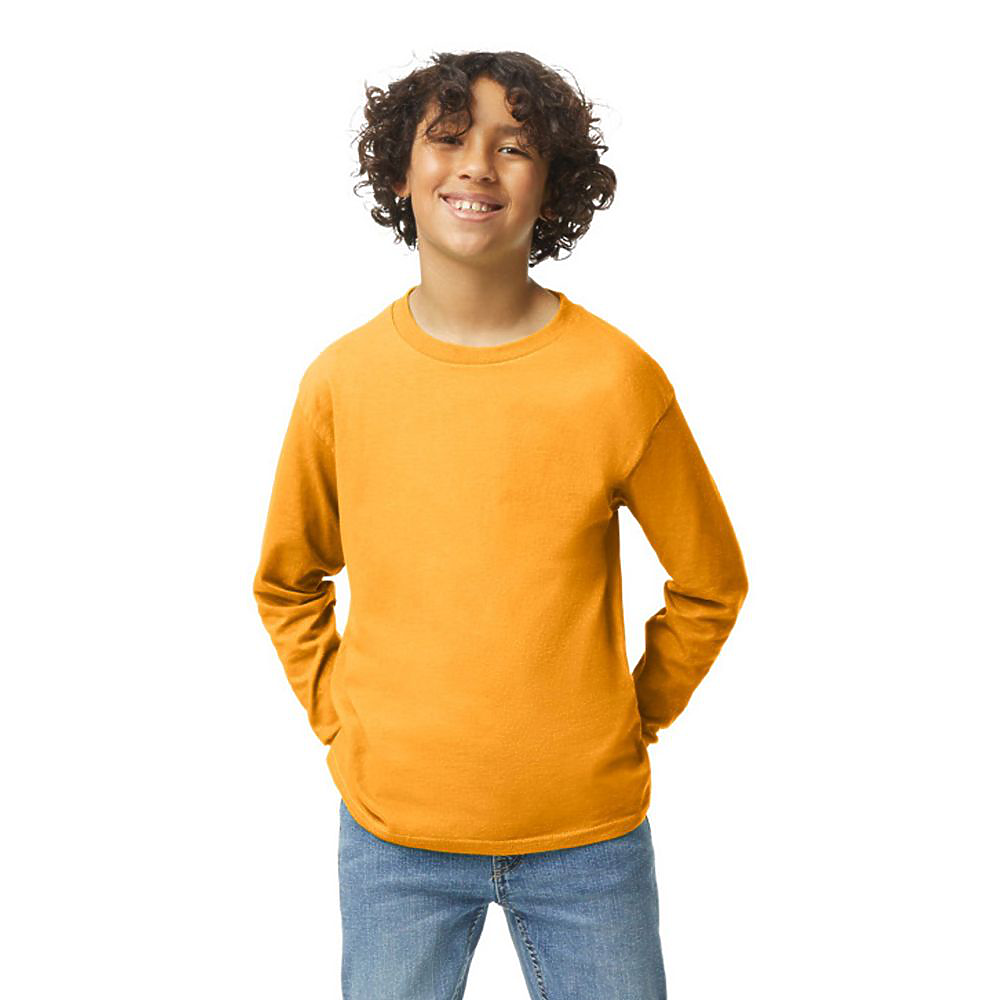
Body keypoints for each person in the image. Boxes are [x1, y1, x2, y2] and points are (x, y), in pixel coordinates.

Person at [252, 49, 749, 1000]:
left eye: (513, 147)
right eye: (448, 139)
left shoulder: (617, 379)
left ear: (551, 186)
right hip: (394, 838)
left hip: (588, 842)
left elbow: (712, 581)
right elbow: (287, 580)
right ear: (401, 174)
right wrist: (340, 719)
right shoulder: (342, 383)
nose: (477, 164)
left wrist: (632, 715)